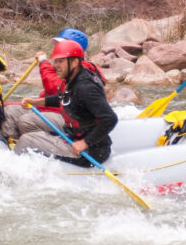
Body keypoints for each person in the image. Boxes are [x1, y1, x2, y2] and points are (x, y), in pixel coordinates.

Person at [14, 38, 117, 166]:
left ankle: (17, 169)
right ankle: (36, 156)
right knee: (26, 123)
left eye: (60, 61)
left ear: (74, 62)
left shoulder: (86, 88)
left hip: (91, 152)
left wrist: (84, 143)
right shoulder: (74, 78)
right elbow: (64, 98)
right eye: (55, 61)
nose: (55, 65)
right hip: (72, 136)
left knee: (26, 140)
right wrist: (36, 102)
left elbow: (110, 118)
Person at [0, 28, 104, 141]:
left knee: (26, 120)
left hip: (64, 116)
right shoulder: (65, 66)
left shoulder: (80, 71)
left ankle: (35, 146)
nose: (57, 48)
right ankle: (10, 143)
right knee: (9, 110)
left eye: (61, 44)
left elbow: (54, 86)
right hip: (46, 109)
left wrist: (43, 62)